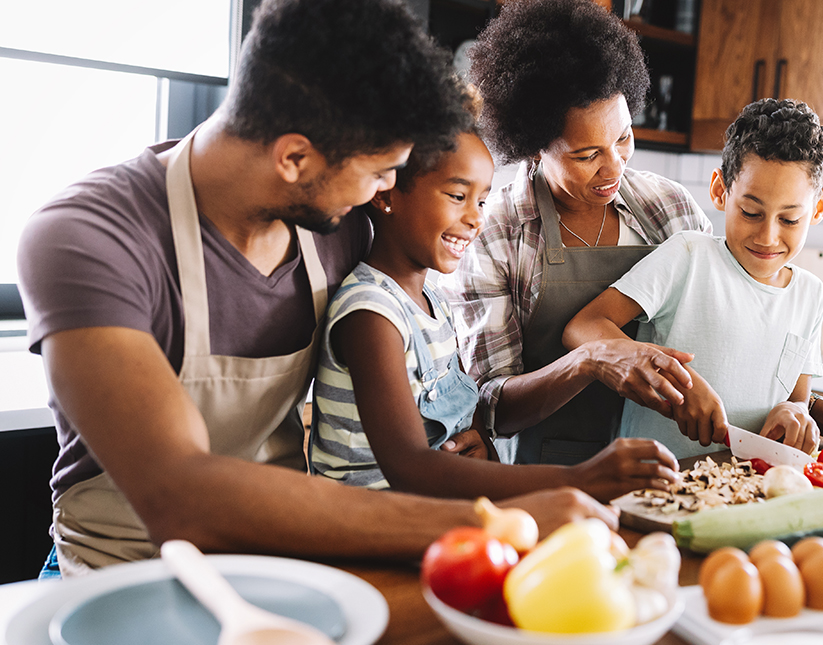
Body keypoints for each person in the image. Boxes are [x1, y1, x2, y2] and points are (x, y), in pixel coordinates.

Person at [17, 0, 614, 578]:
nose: (383, 192)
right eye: (381, 172)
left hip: (283, 560)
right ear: (295, 157)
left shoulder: (340, 228)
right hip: (120, 568)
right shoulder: (84, 240)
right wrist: (487, 520)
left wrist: (457, 440)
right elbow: (180, 496)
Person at [309, 124, 679, 501]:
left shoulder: (431, 302)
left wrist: (479, 443)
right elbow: (410, 468)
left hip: (425, 513)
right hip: (367, 527)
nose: (475, 219)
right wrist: (579, 480)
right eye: (457, 196)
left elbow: (457, 427)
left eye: (481, 201)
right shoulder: (371, 314)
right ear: (385, 194)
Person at [443, 0, 714, 467]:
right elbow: (492, 408)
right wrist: (592, 360)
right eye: (587, 155)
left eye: (624, 138)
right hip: (546, 474)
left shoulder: (669, 209)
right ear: (535, 144)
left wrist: (805, 403)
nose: (615, 167)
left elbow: (730, 325)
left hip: (669, 466)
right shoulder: (497, 234)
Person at [564, 99, 823, 458]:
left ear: (818, 208)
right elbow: (583, 327)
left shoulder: (810, 295)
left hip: (745, 492)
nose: (768, 236)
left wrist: (793, 413)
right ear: (720, 191)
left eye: (789, 219)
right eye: (751, 212)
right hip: (653, 484)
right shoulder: (688, 257)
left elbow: (795, 399)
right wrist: (672, 377)